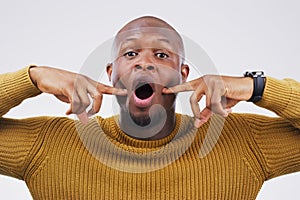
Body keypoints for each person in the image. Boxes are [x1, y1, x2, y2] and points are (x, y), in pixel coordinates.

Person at [0, 16, 299, 199]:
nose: (144, 62)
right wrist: (32, 78)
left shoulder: (243, 142)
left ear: (183, 74)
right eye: (130, 53)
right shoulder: (47, 145)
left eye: (161, 54)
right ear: (111, 73)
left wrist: (258, 87)